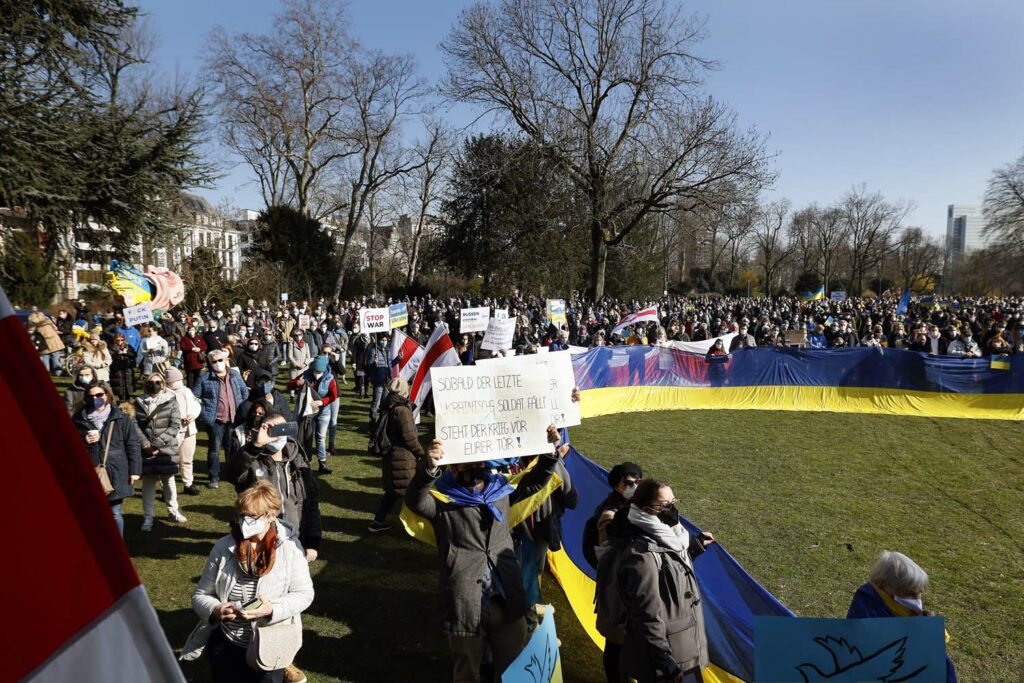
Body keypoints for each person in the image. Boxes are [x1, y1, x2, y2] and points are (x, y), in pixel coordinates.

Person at [405, 425, 567, 683]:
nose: (474, 470)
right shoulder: (443, 500)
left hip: (506, 599)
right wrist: (429, 468)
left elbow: (534, 481)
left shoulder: (499, 491)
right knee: (467, 672)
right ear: (453, 468)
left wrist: (550, 451)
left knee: (514, 670)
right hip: (465, 602)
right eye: (466, 466)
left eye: (478, 465)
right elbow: (415, 501)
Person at [182, 482, 315, 683]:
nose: (245, 522)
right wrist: (216, 609)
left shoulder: (290, 547)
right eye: (241, 515)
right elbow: (200, 594)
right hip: (227, 643)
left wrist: (271, 609)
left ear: (272, 515)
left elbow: (304, 594)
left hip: (271, 643)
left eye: (252, 517)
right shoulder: (224, 547)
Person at [606, 479, 715, 683]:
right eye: (665, 505)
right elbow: (646, 614)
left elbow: (669, 567)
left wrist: (695, 546)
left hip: (680, 644)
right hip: (666, 656)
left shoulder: (668, 534)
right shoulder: (640, 555)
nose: (672, 509)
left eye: (673, 501)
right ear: (647, 509)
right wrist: (665, 661)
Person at [847, 551, 957, 683]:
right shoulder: (866, 605)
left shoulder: (896, 602)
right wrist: (921, 634)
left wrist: (928, 628)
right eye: (910, 594)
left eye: (920, 593)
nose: (917, 600)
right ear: (882, 585)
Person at [226, 412, 322, 562]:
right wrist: (255, 446)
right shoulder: (252, 460)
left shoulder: (298, 461)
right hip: (259, 542)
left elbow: (311, 503)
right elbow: (230, 474)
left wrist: (312, 542)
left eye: (281, 428)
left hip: (295, 542)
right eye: (271, 430)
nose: (277, 435)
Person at [589, 461, 644, 683]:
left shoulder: (639, 508)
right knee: (614, 644)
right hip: (616, 592)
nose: (633, 486)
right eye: (628, 482)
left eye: (637, 482)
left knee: (629, 643)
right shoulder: (609, 515)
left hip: (632, 591)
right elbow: (611, 553)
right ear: (616, 486)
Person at [72, 382, 141, 536]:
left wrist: (135, 470)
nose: (95, 398)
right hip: (90, 470)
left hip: (116, 470)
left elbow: (133, 444)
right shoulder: (78, 418)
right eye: (91, 396)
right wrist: (84, 439)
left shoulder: (121, 418)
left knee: (114, 512)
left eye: (99, 395)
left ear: (107, 395)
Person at [368, 378, 423, 533]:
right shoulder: (402, 410)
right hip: (403, 457)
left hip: (390, 455)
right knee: (411, 492)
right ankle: (420, 526)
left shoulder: (387, 405)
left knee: (392, 492)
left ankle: (377, 522)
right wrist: (421, 453)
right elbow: (410, 437)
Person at [135, 372, 187, 531]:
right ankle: (148, 517)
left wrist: (157, 444)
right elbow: (134, 425)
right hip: (146, 450)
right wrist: (146, 445)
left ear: (163, 384)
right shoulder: (138, 402)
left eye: (158, 382)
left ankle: (173, 511)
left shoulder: (171, 401)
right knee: (148, 484)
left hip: (166, 449)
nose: (154, 385)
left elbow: (175, 425)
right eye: (151, 382)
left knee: (169, 481)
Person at [194, 349, 250, 489]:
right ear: (210, 363)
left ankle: (230, 474)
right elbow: (195, 397)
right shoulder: (204, 378)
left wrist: (242, 410)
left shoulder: (235, 375)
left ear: (225, 360)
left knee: (232, 448)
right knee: (214, 449)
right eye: (214, 361)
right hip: (215, 420)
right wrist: (204, 413)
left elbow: (244, 392)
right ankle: (214, 476)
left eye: (220, 360)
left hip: (234, 419)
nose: (218, 363)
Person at [287, 355, 337, 474]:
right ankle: (304, 461)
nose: (316, 373)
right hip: (307, 413)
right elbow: (289, 385)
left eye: (319, 371)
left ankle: (322, 463)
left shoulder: (330, 378)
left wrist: (321, 402)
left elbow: (333, 395)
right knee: (305, 436)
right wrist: (297, 383)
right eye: (315, 370)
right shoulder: (306, 374)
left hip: (323, 412)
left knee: (320, 437)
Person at [167, 367, 203, 496]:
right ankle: (167, 488)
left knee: (187, 459)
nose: (179, 382)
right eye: (176, 380)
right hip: (173, 433)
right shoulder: (165, 394)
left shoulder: (187, 391)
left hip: (189, 431)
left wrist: (192, 416)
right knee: (170, 461)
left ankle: (188, 484)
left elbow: (196, 406)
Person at [364, 332, 393, 427]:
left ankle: (382, 422)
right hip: (378, 380)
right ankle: (372, 422)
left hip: (386, 381)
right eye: (382, 340)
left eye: (386, 340)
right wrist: (374, 364)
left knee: (385, 403)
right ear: (378, 340)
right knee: (376, 402)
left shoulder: (387, 350)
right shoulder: (373, 350)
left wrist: (398, 359)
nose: (384, 342)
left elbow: (390, 364)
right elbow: (368, 365)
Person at [27, 310, 66, 375]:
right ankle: (58, 372)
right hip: (54, 342)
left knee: (45, 358)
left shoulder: (36, 326)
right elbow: (55, 328)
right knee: (56, 358)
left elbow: (31, 332)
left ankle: (46, 372)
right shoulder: (48, 321)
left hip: (43, 345)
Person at [109, 333, 137, 402]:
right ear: (115, 340)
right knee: (120, 387)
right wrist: (117, 353)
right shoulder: (111, 347)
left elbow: (134, 355)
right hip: (117, 371)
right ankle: (122, 400)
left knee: (128, 386)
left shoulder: (128, 346)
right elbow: (109, 357)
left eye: (122, 340)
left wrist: (126, 353)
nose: (120, 342)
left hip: (127, 369)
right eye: (118, 340)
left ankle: (128, 400)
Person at [351, 325, 371, 398]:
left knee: (366, 378)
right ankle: (360, 392)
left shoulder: (372, 340)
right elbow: (354, 352)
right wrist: (354, 362)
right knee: (359, 377)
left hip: (368, 362)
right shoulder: (358, 340)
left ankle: (366, 392)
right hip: (360, 362)